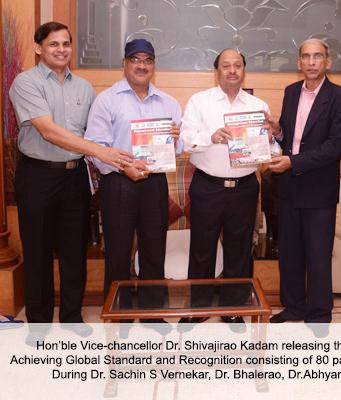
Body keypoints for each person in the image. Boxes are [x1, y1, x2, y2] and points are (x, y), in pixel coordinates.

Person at [9, 22, 131, 341]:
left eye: (66, 43)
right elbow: (48, 131)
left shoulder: (85, 88)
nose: (61, 50)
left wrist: (140, 145)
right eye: (54, 44)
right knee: (37, 251)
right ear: (38, 48)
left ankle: (72, 315)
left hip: (75, 176)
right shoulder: (26, 82)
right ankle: (38, 324)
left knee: (74, 249)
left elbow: (98, 131)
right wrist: (101, 152)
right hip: (38, 175)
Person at [85, 39, 182, 332]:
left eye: (147, 60)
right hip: (118, 182)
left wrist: (175, 139)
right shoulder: (107, 99)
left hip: (155, 183)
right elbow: (95, 147)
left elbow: (179, 149)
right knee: (118, 251)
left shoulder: (168, 102)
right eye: (135, 59)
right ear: (125, 64)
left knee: (154, 249)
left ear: (154, 65)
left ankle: (153, 315)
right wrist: (123, 167)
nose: (142, 65)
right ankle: (120, 316)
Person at [179, 49, 271, 333]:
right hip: (208, 186)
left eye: (238, 65)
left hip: (244, 187)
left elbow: (270, 147)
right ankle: (199, 308)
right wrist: (211, 137)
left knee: (239, 251)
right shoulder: (199, 101)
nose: (232, 71)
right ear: (217, 71)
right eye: (226, 66)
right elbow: (185, 140)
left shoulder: (257, 106)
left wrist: (269, 141)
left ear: (244, 70)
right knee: (202, 250)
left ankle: (233, 309)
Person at [267, 38, 341, 333]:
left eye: (318, 56)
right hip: (288, 187)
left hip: (318, 190)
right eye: (306, 56)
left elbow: (334, 147)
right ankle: (293, 307)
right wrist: (278, 131)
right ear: (299, 62)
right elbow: (290, 137)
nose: (312, 61)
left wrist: (293, 162)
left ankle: (319, 314)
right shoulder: (291, 92)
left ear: (328, 61)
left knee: (318, 256)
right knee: (289, 253)